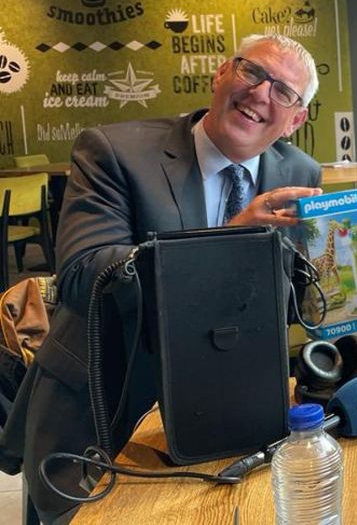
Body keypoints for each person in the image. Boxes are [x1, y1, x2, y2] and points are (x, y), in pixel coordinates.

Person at [0, 33, 324, 523]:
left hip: (227, 409)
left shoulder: (299, 172)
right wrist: (230, 237)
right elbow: (84, 276)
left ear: (295, 121)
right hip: (103, 407)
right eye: (252, 72)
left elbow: (292, 293)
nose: (261, 93)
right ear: (221, 75)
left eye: (284, 91)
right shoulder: (112, 151)